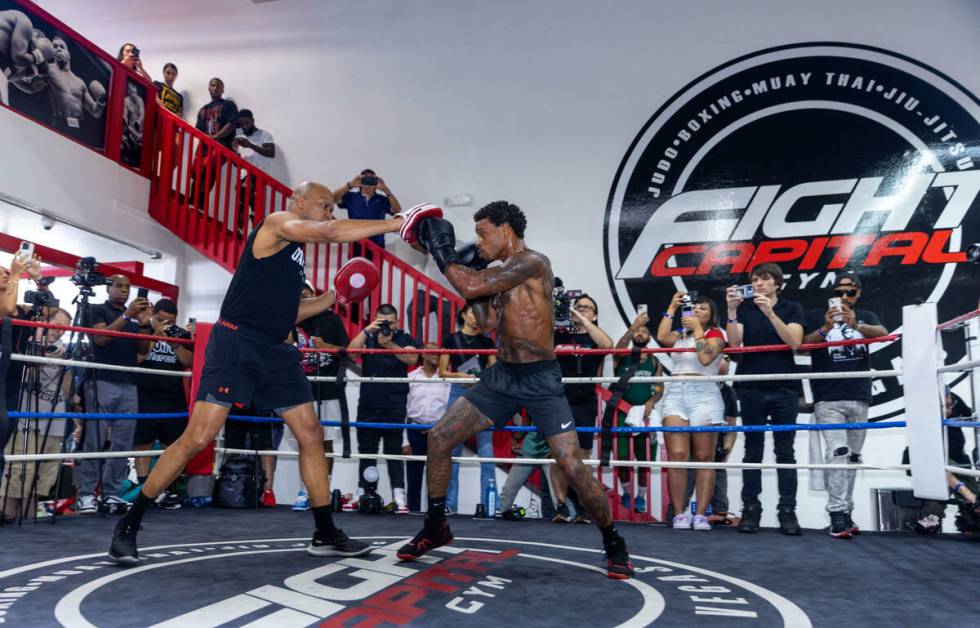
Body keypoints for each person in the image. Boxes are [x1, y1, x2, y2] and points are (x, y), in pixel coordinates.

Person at [108, 181, 415, 564]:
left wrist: (335, 297)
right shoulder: (276, 223)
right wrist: (394, 223)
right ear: (300, 202)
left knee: (311, 433)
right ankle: (129, 524)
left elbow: (290, 314)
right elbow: (331, 232)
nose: (328, 212)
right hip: (236, 341)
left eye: (329, 208)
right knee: (199, 437)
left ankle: (324, 531)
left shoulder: (294, 257)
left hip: (275, 349)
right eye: (323, 205)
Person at [399, 200, 634, 579]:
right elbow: (489, 322)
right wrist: (472, 288)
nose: (479, 241)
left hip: (540, 378)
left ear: (505, 230)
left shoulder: (532, 262)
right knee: (439, 437)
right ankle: (435, 526)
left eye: (482, 233)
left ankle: (613, 542)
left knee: (572, 466)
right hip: (504, 376)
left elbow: (472, 282)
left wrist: (444, 254)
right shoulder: (499, 274)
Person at [802, 272, 888, 538]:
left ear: (858, 293)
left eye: (849, 292)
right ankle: (837, 512)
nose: (844, 297)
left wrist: (857, 324)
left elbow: (884, 335)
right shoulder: (818, 315)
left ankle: (846, 511)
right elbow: (801, 345)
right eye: (839, 291)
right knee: (837, 452)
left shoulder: (866, 317)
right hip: (828, 396)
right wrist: (826, 329)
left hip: (859, 393)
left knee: (852, 457)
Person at [726, 263, 806, 534]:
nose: (759, 283)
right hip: (751, 385)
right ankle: (750, 510)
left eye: (765, 279)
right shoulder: (745, 308)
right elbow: (734, 346)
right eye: (755, 279)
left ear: (777, 283)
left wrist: (770, 313)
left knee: (785, 452)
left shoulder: (792, 307)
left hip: (785, 387)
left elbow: (794, 341)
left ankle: (787, 512)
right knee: (752, 451)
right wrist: (732, 310)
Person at [76, 275, 151, 515]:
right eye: (119, 286)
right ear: (108, 288)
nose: (124, 290)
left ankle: (111, 494)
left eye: (128, 287)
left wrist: (145, 324)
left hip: (128, 382)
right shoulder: (96, 309)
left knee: (122, 443)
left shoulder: (134, 318)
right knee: (95, 440)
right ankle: (86, 495)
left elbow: (142, 351)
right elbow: (100, 339)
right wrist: (127, 316)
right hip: (101, 380)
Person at [656, 292, 725, 530]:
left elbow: (705, 358)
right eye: (693, 308)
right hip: (675, 392)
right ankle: (679, 513)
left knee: (705, 457)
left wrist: (697, 329)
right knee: (677, 456)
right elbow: (662, 336)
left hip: (704, 394)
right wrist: (672, 306)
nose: (696, 311)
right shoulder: (679, 335)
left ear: (711, 314)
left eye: (703, 309)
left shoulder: (716, 334)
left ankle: (702, 514)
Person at [347, 304, 420, 513]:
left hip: (394, 404)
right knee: (366, 451)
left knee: (393, 451)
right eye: (381, 322)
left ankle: (399, 497)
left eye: (389, 322)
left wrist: (389, 345)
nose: (385, 326)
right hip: (368, 403)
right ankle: (364, 493)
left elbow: (412, 358)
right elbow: (351, 354)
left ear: (397, 322)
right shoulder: (368, 336)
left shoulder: (404, 338)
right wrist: (366, 330)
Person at [1, 307, 71, 521]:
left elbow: (66, 391)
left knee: (42, 476)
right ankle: (6, 518)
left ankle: (31, 525)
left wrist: (65, 365)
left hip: (55, 418)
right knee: (18, 471)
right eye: (57, 327)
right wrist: (39, 354)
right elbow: (24, 377)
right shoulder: (27, 342)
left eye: (64, 330)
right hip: (27, 418)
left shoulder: (64, 349)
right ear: (45, 322)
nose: (59, 333)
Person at [552, 293, 612, 523]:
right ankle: (560, 505)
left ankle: (582, 505)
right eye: (578, 307)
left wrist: (585, 321)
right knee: (558, 454)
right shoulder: (557, 334)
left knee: (582, 455)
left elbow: (608, 345)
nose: (581, 310)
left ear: (594, 315)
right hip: (559, 399)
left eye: (587, 308)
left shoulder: (595, 337)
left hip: (585, 401)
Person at [288, 284, 346, 511]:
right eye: (299, 295)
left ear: (315, 296)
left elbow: (348, 351)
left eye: (307, 294)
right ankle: (305, 489)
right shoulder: (290, 321)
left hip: (328, 390)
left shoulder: (331, 320)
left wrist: (328, 347)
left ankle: (323, 489)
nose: (303, 297)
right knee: (305, 441)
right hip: (299, 391)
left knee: (327, 441)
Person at [133, 299, 193, 510]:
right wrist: (155, 333)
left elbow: (189, 362)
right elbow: (138, 358)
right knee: (143, 444)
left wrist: (175, 342)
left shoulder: (180, 334)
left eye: (170, 321)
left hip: (173, 396)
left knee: (175, 445)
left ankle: (168, 490)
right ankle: (143, 491)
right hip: (147, 394)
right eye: (161, 319)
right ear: (153, 314)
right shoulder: (143, 330)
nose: (166, 324)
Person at [438, 303, 497, 514]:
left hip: (482, 392)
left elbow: (493, 370)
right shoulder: (450, 339)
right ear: (463, 314)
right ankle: (449, 504)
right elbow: (442, 372)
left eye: (479, 312)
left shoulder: (487, 341)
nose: (476, 316)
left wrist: (480, 378)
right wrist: (461, 376)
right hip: (457, 391)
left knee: (486, 450)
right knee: (452, 450)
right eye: (472, 311)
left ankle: (491, 505)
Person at [612, 311, 662, 515]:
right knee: (622, 456)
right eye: (638, 331)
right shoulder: (623, 356)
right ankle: (625, 492)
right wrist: (634, 325)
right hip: (622, 411)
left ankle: (640, 496)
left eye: (644, 331)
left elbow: (659, 387)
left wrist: (651, 402)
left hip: (645, 414)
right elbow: (617, 349)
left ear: (650, 338)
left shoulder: (655, 361)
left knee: (644, 458)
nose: (640, 333)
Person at [11, 33, 107, 137]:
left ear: (69, 54)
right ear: (52, 52)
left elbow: (95, 111)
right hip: (60, 126)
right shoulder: (48, 69)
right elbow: (30, 87)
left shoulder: (80, 82)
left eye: (62, 47)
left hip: (80, 130)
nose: (58, 49)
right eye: (55, 47)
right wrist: (10, 77)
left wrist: (101, 99)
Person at [405, 343, 451, 512]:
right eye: (432, 351)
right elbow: (404, 409)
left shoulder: (447, 379)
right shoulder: (411, 377)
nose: (436, 354)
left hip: (438, 432)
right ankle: (413, 511)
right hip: (414, 430)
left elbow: (450, 409)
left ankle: (435, 513)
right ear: (422, 354)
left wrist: (437, 428)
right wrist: (404, 441)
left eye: (439, 352)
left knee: (437, 477)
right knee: (414, 476)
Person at [190, 78, 237, 208]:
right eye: (212, 85)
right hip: (204, 145)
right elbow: (198, 129)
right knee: (196, 169)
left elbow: (232, 125)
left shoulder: (228, 105)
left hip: (221, 145)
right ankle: (192, 199)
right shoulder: (203, 109)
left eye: (218, 86)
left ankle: (200, 203)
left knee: (209, 167)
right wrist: (207, 139)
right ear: (209, 87)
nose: (215, 88)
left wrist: (215, 137)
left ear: (222, 90)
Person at [232, 109, 276, 235]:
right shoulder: (240, 139)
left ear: (252, 120)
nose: (244, 126)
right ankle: (244, 228)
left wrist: (250, 145)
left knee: (243, 191)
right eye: (241, 124)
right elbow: (237, 164)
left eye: (246, 122)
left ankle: (250, 221)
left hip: (259, 174)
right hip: (244, 175)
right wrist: (235, 152)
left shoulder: (264, 135)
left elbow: (271, 153)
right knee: (242, 201)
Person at [333, 170, 402, 249]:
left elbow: (397, 210)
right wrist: (350, 185)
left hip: (377, 245)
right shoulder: (351, 197)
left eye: (372, 180)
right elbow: (332, 199)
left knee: (375, 261)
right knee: (357, 262)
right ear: (361, 181)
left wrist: (385, 189)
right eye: (366, 180)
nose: (368, 184)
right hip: (356, 243)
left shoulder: (382, 200)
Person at [120, 79, 145, 166]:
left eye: (135, 92)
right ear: (129, 92)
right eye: (132, 93)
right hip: (130, 129)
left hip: (140, 130)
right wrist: (126, 121)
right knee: (124, 143)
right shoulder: (126, 101)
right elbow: (125, 115)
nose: (134, 95)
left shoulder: (140, 100)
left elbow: (142, 114)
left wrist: (138, 122)